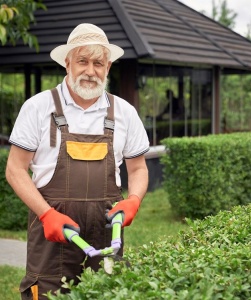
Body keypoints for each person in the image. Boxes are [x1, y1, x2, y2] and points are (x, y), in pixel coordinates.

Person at [5, 23, 149, 299]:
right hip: (51, 239)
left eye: (98, 63)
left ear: (107, 68)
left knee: (107, 294)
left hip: (106, 234)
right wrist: (46, 214)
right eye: (82, 61)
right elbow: (15, 169)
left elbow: (139, 167)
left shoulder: (125, 113)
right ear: (67, 63)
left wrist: (134, 200)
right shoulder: (37, 108)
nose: (90, 71)